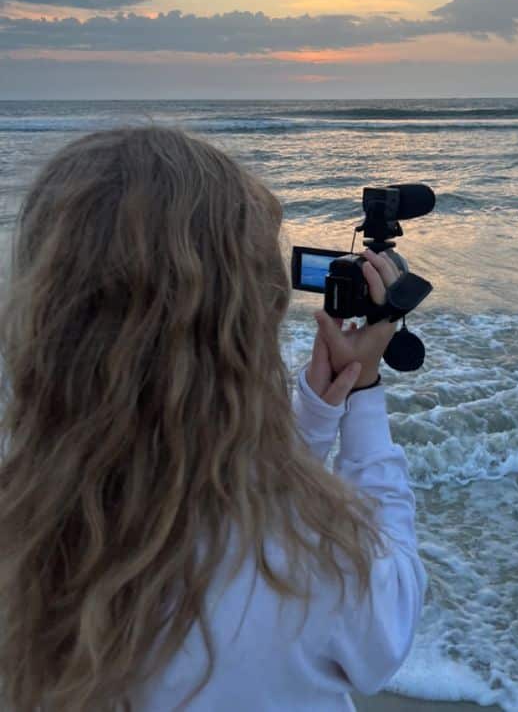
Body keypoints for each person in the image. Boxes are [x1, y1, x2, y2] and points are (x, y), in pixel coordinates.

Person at [0, 126, 426, 712]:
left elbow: (212, 485)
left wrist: (320, 410)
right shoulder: (309, 553)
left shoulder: (29, 522)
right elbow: (389, 622)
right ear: (242, 323)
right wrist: (364, 401)